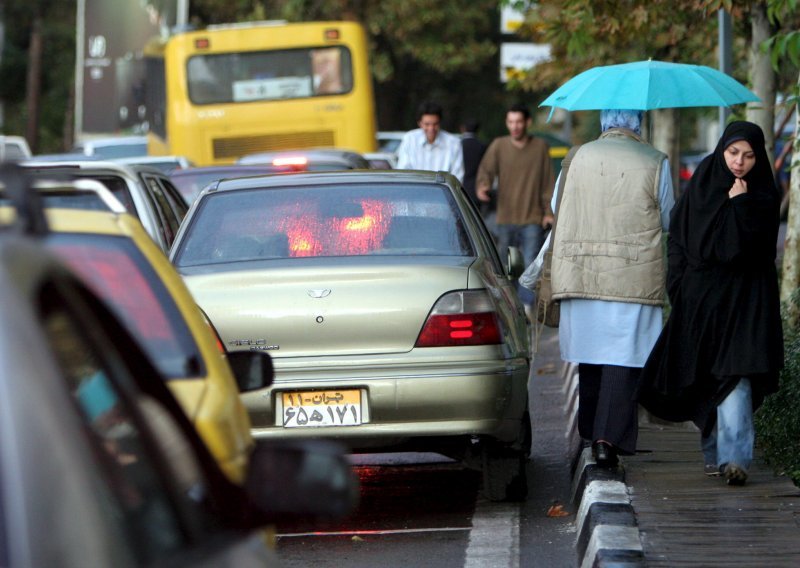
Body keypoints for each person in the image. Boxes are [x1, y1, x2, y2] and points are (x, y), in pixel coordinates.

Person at [637, 121, 783, 486]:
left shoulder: (763, 191)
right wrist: (679, 283)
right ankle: (717, 454)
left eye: (749, 155)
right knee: (707, 376)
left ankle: (735, 459)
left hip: (745, 299)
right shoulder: (703, 180)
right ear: (721, 150)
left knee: (738, 373)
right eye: (733, 153)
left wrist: (741, 205)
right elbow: (681, 234)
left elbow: (750, 251)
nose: (739, 162)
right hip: (700, 300)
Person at [549, 109, 675, 468]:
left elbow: (557, 206)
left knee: (591, 355)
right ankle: (607, 440)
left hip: (581, 271)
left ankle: (590, 433)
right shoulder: (655, 161)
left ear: (605, 121)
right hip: (631, 274)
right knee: (623, 356)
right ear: (637, 122)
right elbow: (668, 217)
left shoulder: (576, 157)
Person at [476, 103, 555, 308]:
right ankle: (510, 305)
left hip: (533, 217)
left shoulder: (540, 147)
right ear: (507, 123)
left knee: (530, 264)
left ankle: (526, 306)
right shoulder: (499, 145)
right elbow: (486, 170)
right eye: (511, 122)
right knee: (505, 265)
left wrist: (548, 212)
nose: (515, 126)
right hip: (505, 216)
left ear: (527, 122)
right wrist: (482, 186)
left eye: (519, 122)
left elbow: (547, 182)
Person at [396, 101, 464, 182]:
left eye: (435, 124)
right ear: (420, 123)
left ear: (440, 122)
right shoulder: (409, 139)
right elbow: (403, 172)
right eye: (427, 124)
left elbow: (458, 177)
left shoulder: (454, 143)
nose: (431, 129)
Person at [460, 118, 488, 209]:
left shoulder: (458, 145)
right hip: (475, 188)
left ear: (463, 128)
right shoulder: (482, 146)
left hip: (458, 186)